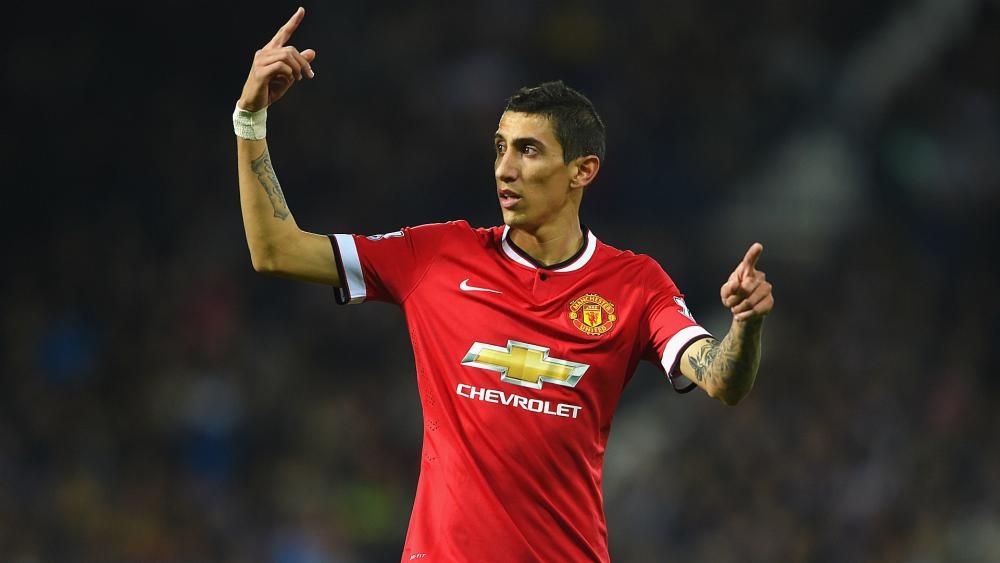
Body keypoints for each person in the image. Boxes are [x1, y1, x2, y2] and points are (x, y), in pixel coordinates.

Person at [234, 8, 774, 562]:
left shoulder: (635, 284)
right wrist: (249, 119)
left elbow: (721, 379)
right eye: (500, 147)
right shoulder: (438, 255)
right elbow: (276, 250)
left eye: (528, 150)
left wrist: (746, 324)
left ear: (582, 171)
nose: (504, 169)